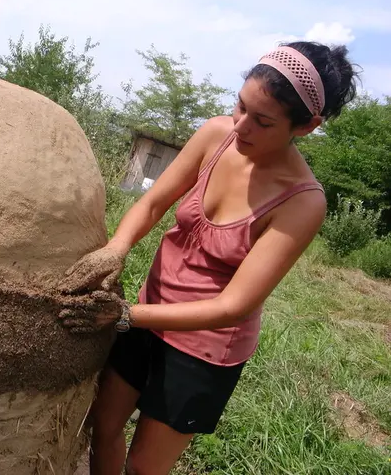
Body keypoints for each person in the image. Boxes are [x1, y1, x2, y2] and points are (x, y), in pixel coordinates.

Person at [57, 41, 358, 474]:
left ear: (305, 127)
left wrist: (125, 316)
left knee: (144, 466)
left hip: (202, 348)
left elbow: (231, 306)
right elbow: (151, 203)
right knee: (101, 427)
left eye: (263, 121)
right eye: (239, 105)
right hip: (143, 313)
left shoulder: (302, 202)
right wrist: (116, 249)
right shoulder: (216, 135)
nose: (240, 127)